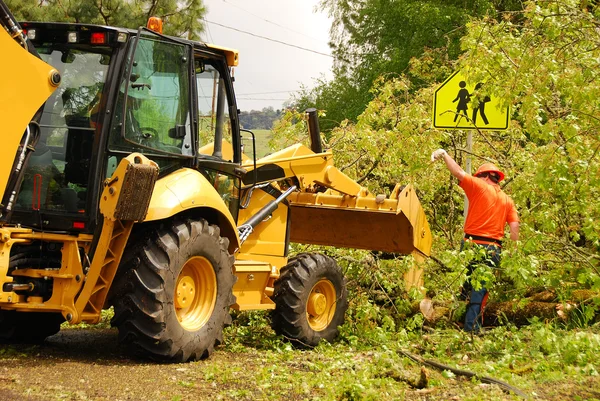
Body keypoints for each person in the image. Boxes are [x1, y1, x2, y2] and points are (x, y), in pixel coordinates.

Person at [430, 149, 519, 332]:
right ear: (496, 178)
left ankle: (460, 322)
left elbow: (458, 172)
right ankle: (470, 327)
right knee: (479, 290)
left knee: (467, 284)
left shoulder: (478, 186)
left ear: (484, 176)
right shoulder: (507, 200)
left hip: (470, 244)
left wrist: (444, 154)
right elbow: (515, 227)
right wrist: (513, 251)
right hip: (493, 247)